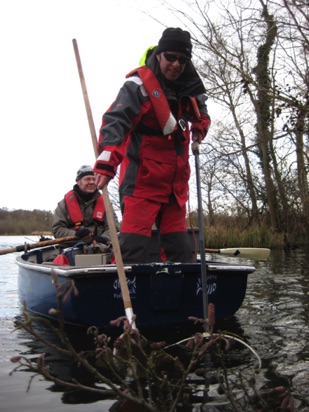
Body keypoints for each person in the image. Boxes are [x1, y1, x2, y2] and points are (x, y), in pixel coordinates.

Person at [94, 27, 211, 264]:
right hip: (141, 183)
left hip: (175, 187)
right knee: (132, 249)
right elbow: (115, 122)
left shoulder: (190, 86)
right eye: (171, 57)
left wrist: (200, 127)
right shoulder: (137, 86)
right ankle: (122, 297)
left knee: (181, 252)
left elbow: (202, 112)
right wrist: (106, 165)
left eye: (183, 59)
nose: (177, 65)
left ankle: (181, 298)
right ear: (159, 54)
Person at [52, 165, 119, 249]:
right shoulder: (63, 205)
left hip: (101, 247)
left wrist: (104, 238)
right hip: (72, 248)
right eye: (87, 179)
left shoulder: (106, 203)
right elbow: (57, 229)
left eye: (94, 179)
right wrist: (76, 234)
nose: (91, 182)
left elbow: (114, 227)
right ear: (78, 181)